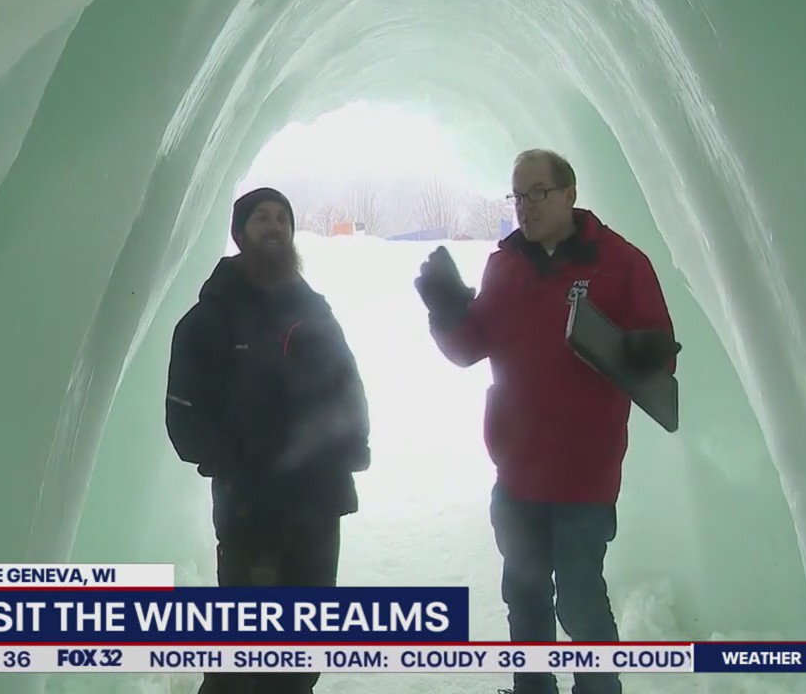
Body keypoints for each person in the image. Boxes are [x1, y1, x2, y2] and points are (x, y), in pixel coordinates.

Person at [414, 149, 679, 694]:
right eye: (518, 195)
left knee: (580, 599)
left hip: (586, 471)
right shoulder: (505, 265)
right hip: (517, 470)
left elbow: (659, 355)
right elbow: (469, 348)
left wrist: (646, 350)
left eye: (538, 192)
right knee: (525, 597)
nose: (526, 206)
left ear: (569, 194)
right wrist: (446, 310)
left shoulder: (620, 263)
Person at [165, 187, 371, 694]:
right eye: (261, 218)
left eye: (282, 218)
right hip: (250, 511)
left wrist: (352, 443)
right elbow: (183, 415)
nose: (274, 227)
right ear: (240, 234)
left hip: (318, 503)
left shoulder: (315, 312)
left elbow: (348, 385)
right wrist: (235, 465)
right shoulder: (210, 319)